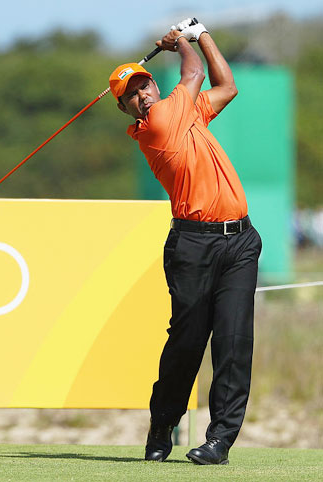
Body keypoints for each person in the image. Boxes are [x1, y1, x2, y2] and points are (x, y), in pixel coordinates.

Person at [108, 19, 262, 465]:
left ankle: (220, 441)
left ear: (153, 84)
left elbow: (226, 85)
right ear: (128, 109)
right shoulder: (157, 125)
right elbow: (193, 75)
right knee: (187, 344)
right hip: (193, 247)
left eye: (143, 85)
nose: (142, 94)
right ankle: (163, 424)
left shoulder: (185, 112)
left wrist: (204, 34)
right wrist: (183, 42)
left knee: (233, 342)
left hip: (240, 243)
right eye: (131, 95)